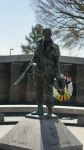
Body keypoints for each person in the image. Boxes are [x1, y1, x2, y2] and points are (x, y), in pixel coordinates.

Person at [31, 28, 64, 116]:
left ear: (51, 34)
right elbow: (34, 57)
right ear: (43, 34)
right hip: (39, 71)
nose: (47, 35)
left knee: (49, 91)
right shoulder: (39, 44)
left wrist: (58, 74)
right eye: (45, 33)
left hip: (49, 72)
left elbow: (57, 62)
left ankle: (49, 110)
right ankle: (39, 108)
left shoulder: (55, 47)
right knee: (39, 90)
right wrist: (33, 64)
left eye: (48, 33)